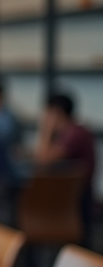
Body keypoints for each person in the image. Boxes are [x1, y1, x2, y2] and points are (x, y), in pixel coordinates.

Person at [35, 92, 97, 243]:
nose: (45, 117)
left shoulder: (75, 134)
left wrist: (46, 129)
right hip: (68, 198)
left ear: (57, 113)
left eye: (48, 113)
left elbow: (43, 159)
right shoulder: (70, 132)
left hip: (74, 201)